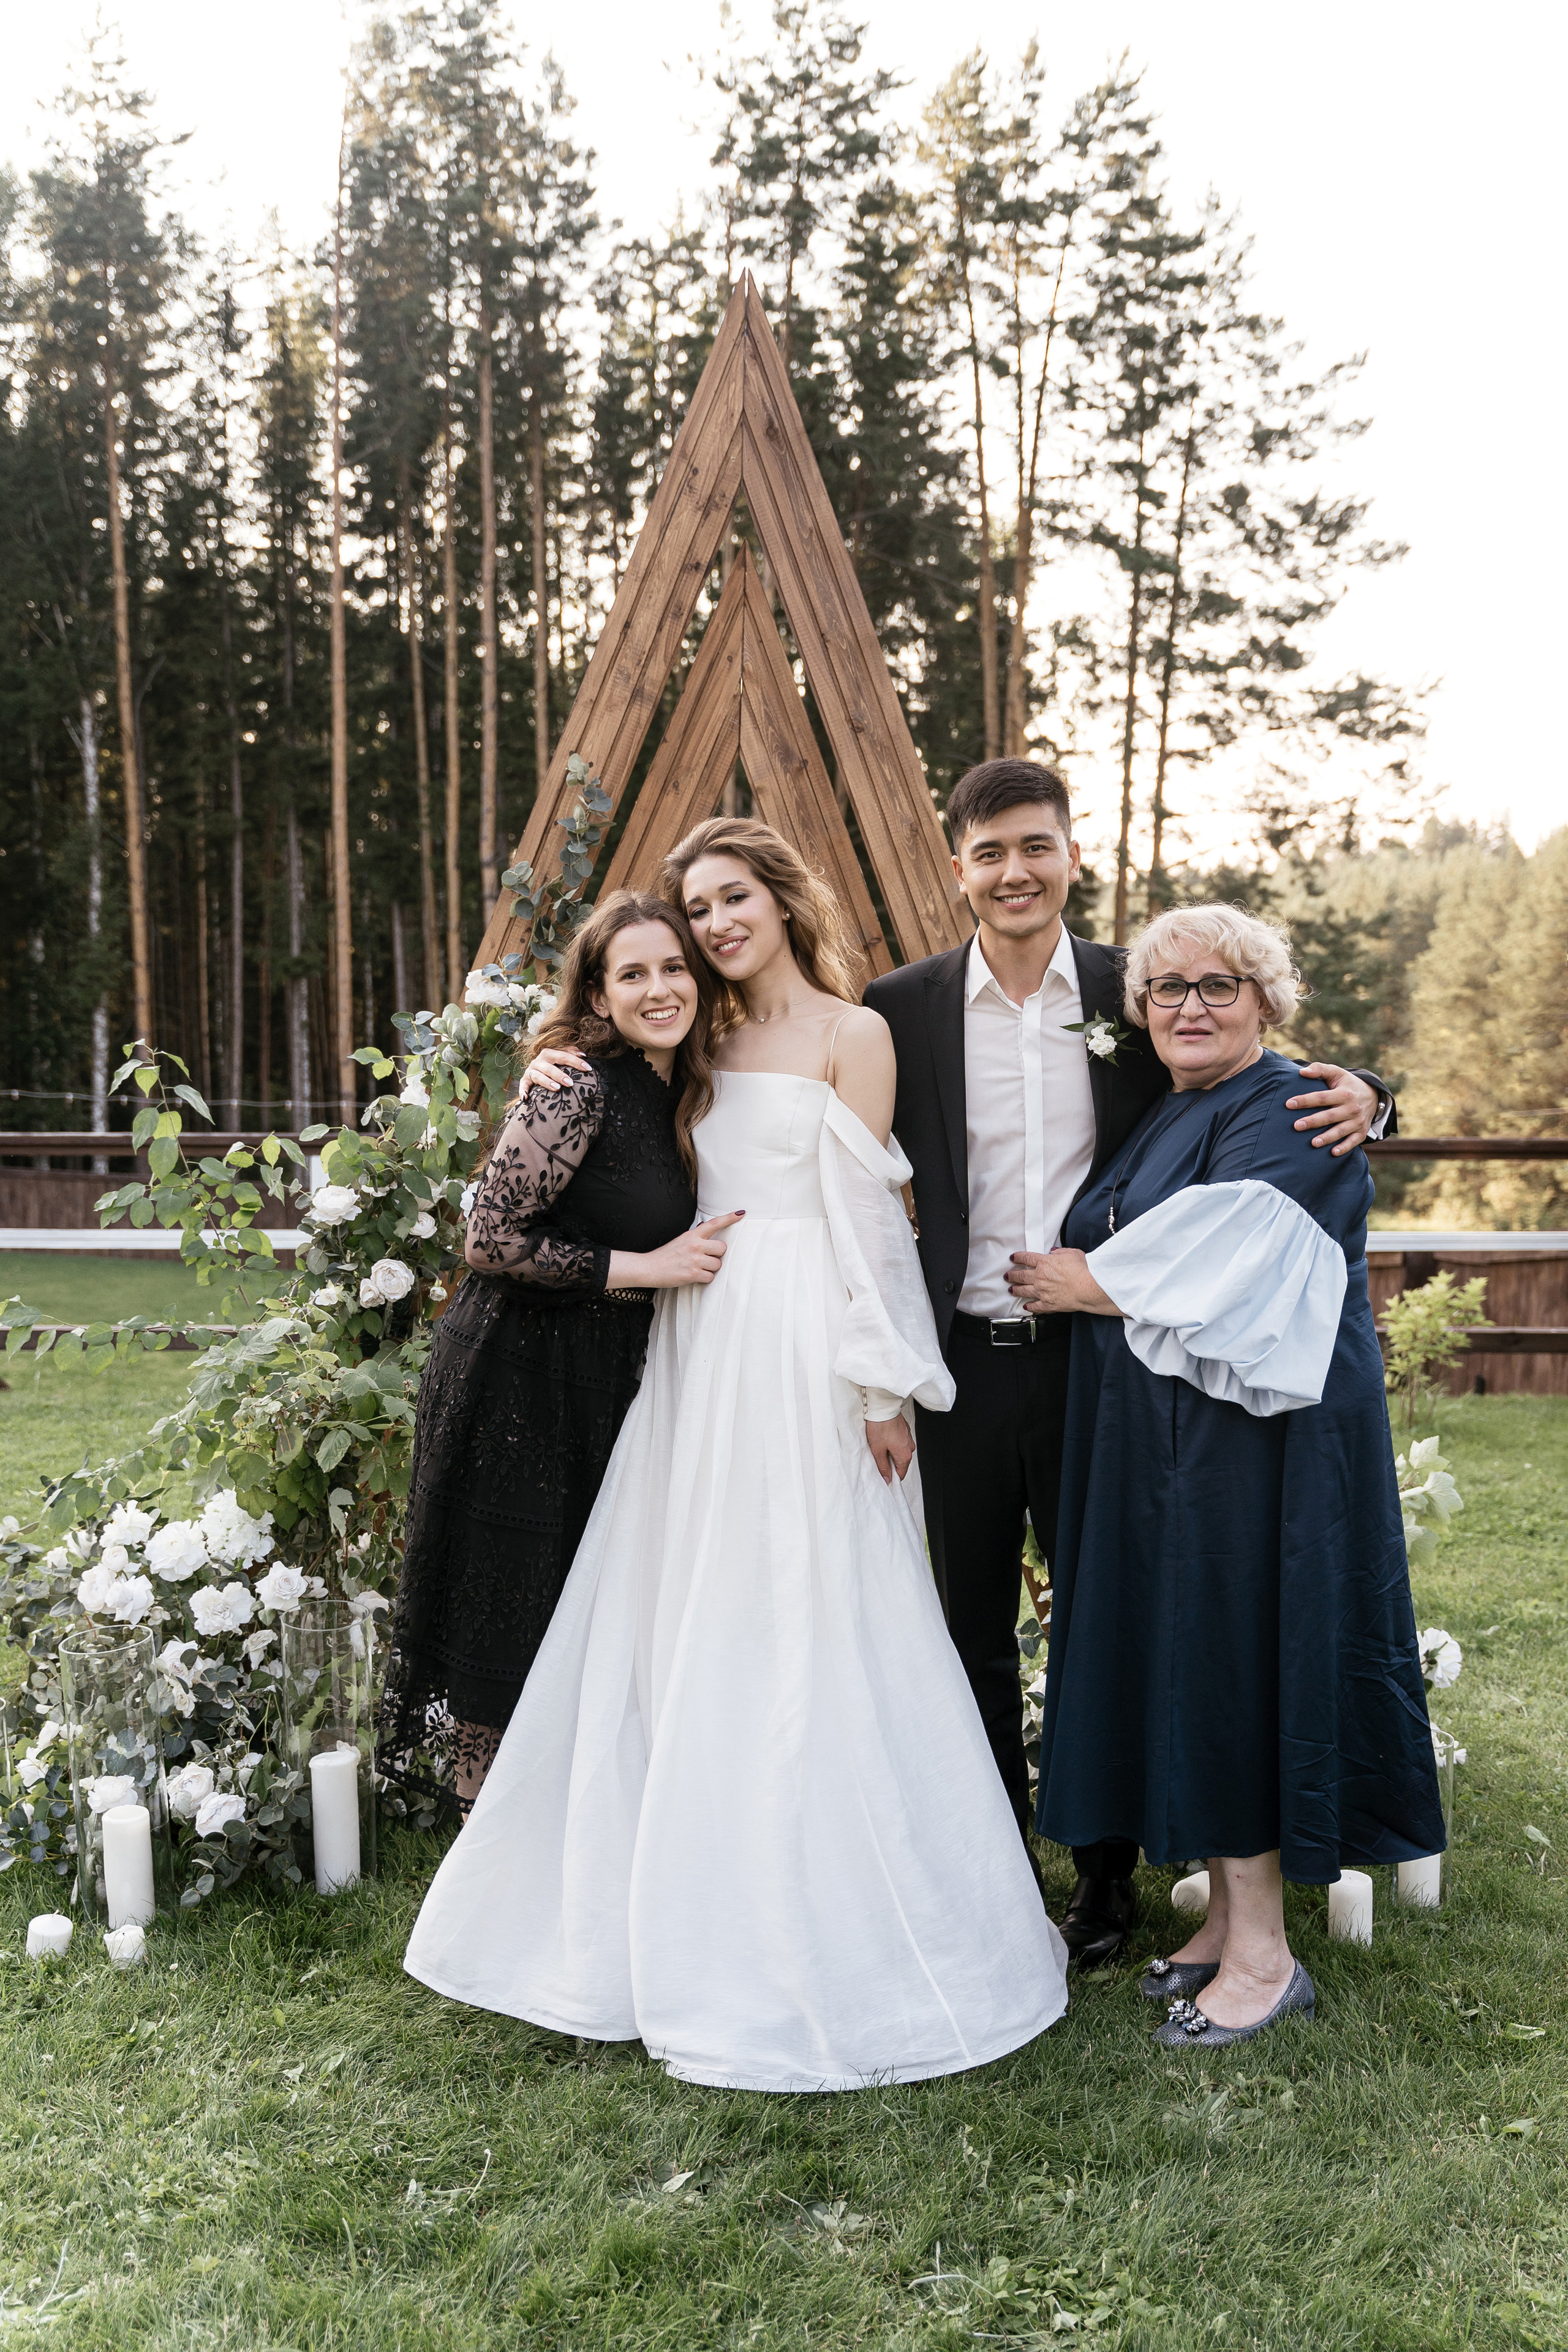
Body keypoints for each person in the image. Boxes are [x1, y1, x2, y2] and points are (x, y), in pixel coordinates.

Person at [404, 818, 1068, 2089]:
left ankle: (830, 1901)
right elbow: (604, 1120)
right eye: (695, 908)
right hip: (696, 1336)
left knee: (815, 1593)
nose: (712, 927)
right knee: (680, 1597)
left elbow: (870, 1218)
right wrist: (548, 1068)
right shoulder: (689, 1037)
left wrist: (880, 1384)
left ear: (780, 896)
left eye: (731, 901)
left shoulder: (848, 1032)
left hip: (809, 1339)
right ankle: (655, 1901)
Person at [865, 758, 1395, 1969]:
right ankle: (988, 1874)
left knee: (1104, 1613)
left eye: (1034, 846)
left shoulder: (1136, 987)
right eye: (989, 851)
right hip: (958, 1363)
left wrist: (1372, 1093)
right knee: (967, 1628)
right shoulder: (896, 1005)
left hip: (1106, 1365)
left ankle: (1103, 1887)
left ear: (1068, 855)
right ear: (959, 868)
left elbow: (1265, 1073)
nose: (1014, 871)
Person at [1020, 902, 1446, 2049]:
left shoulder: (1296, 1103)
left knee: (1232, 1655)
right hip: (1166, 1443)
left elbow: (1235, 1248)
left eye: (1219, 986)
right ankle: (1218, 1931)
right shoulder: (1175, 1109)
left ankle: (1264, 1957)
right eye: (1169, 991)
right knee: (1186, 1648)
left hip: (1257, 1451)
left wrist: (1082, 1284)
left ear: (1267, 1002)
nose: (1192, 1007)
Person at [377, 891, 738, 1815]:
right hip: (516, 1369)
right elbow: (488, 1238)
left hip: (599, 1374)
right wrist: (645, 1266)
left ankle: (545, 1809)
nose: (659, 989)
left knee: (569, 1585)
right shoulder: (576, 1084)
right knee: (507, 1585)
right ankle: (477, 1820)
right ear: (598, 992)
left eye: (672, 968)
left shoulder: (681, 1088)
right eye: (633, 975)